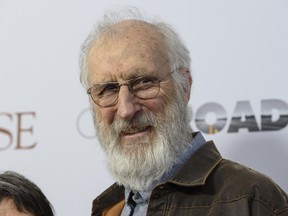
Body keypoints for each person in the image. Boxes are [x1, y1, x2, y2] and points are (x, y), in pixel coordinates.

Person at [79, 7, 288, 216]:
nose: (126, 109)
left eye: (144, 82)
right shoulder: (108, 208)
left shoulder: (252, 201)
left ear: (185, 86)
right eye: (108, 89)